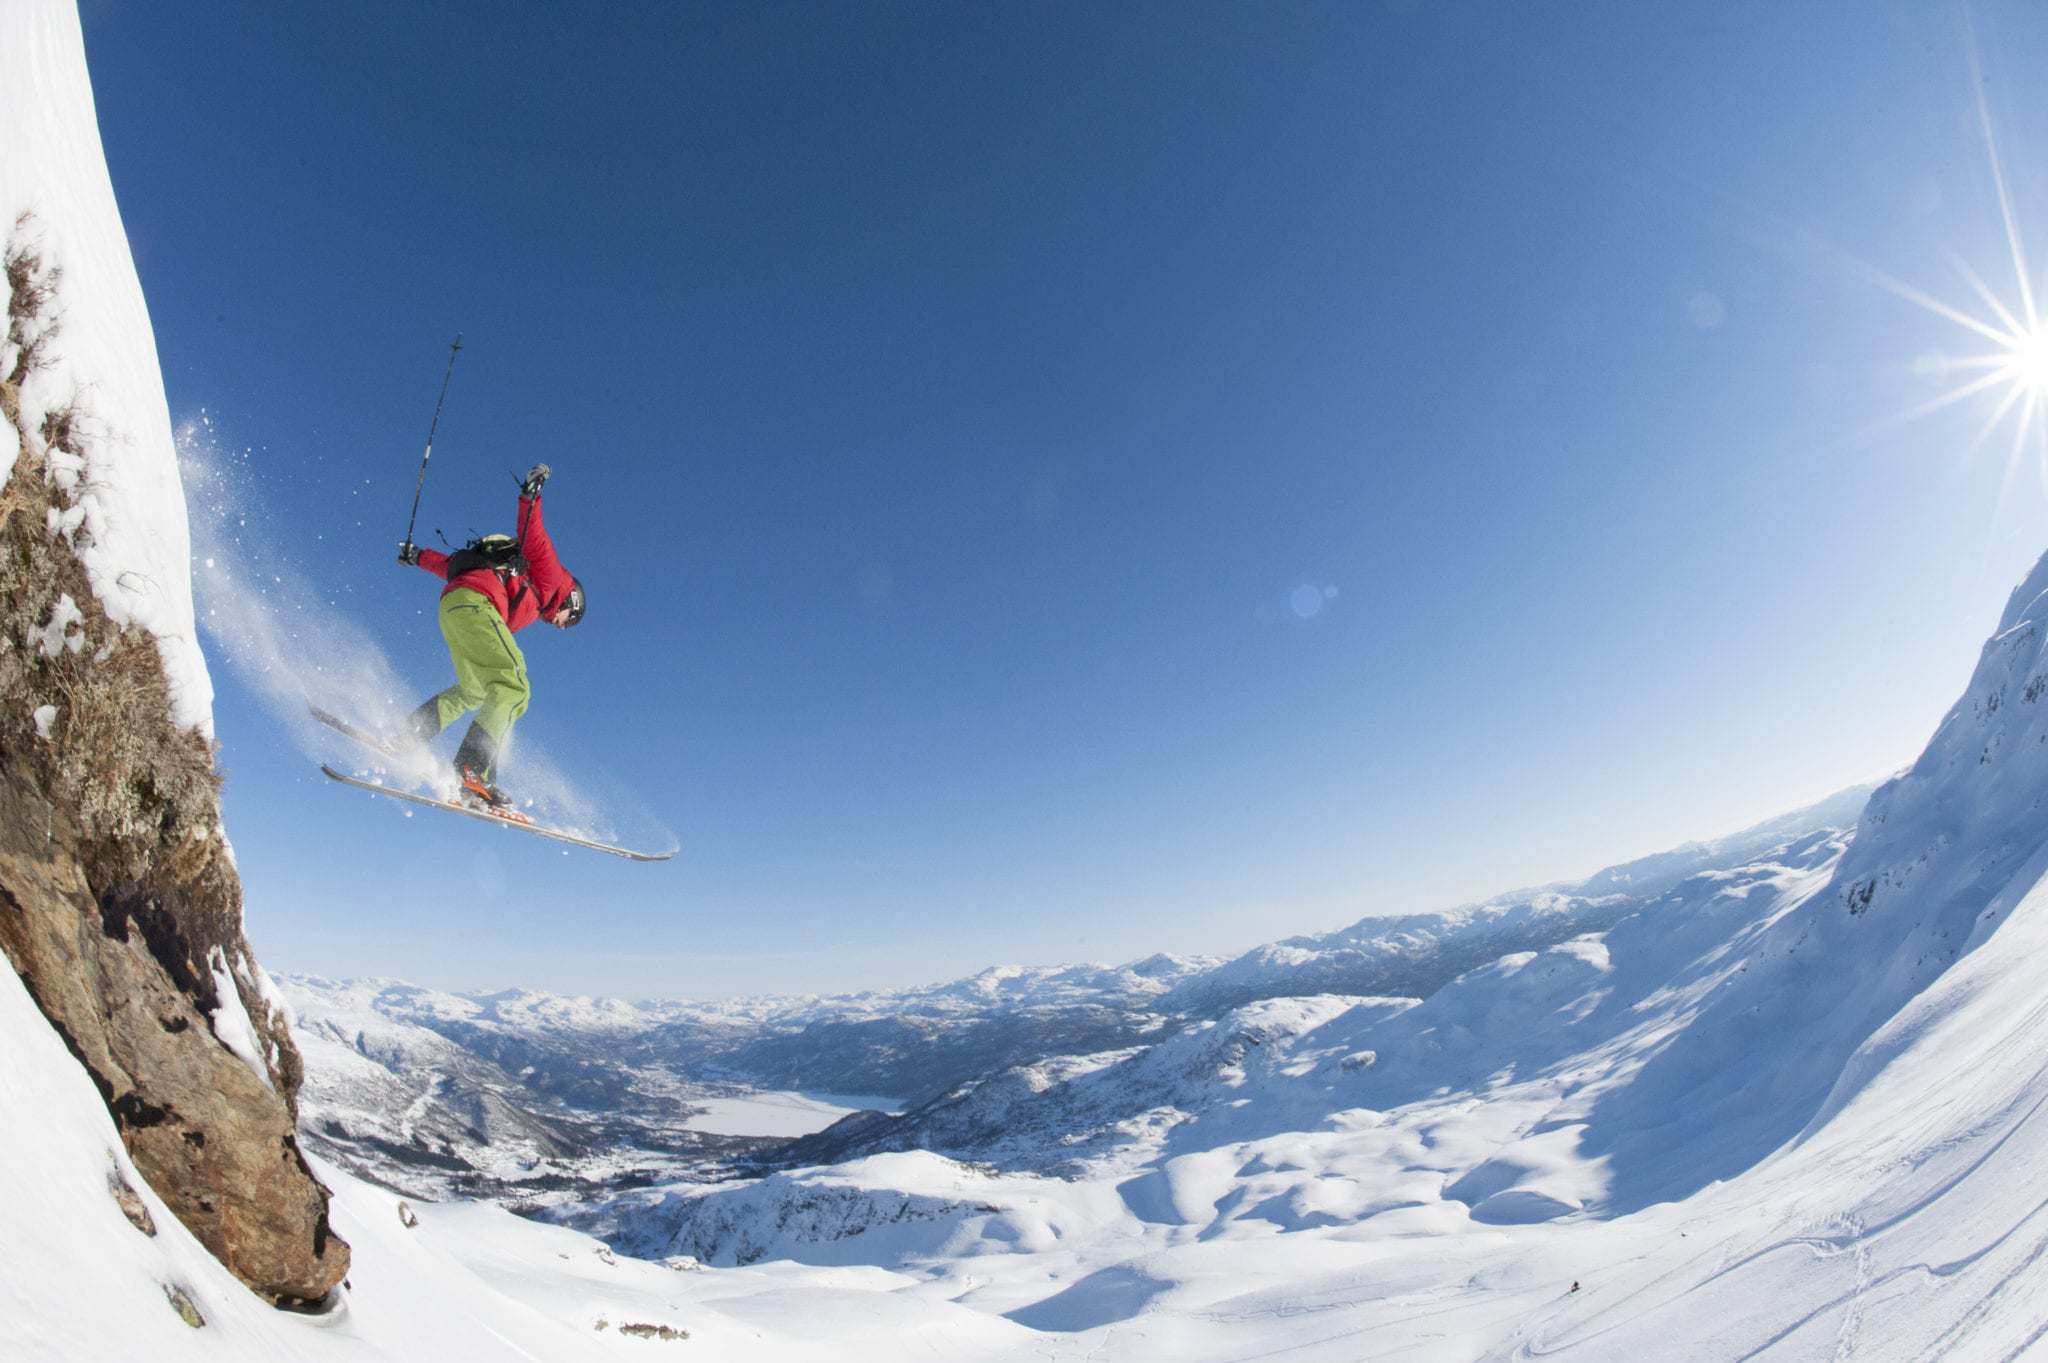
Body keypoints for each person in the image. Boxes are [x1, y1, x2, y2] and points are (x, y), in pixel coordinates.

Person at [397, 463, 584, 810]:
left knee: (474, 691)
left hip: (454, 608)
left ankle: (411, 735)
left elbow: (451, 566)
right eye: (568, 621)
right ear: (572, 602)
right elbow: (534, 537)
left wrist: (417, 556)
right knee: (514, 686)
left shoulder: (524, 593)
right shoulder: (552, 579)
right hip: (476, 606)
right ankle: (473, 770)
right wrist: (530, 495)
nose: (561, 626)